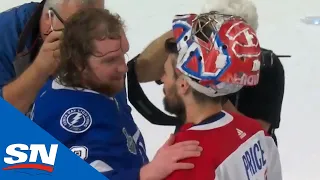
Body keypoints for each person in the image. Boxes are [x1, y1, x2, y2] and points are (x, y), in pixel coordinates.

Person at [29, 8, 203, 180]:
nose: (123, 67)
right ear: (78, 63)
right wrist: (145, 174)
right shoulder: (61, 117)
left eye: (123, 55)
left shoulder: (103, 83)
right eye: (110, 60)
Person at [127, 0, 285, 145]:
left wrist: (211, 89)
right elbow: (140, 72)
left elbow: (258, 134)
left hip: (237, 152)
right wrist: (184, 32)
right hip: (193, 142)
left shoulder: (266, 66)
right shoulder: (192, 53)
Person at [160, 11, 282, 180]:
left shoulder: (183, 160)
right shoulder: (256, 133)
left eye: (165, 73)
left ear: (183, 84)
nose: (161, 79)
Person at [0, 0, 104, 113]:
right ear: (48, 18)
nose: (86, 42)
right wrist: (39, 70)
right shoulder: (5, 33)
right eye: (77, 31)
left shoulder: (105, 36)